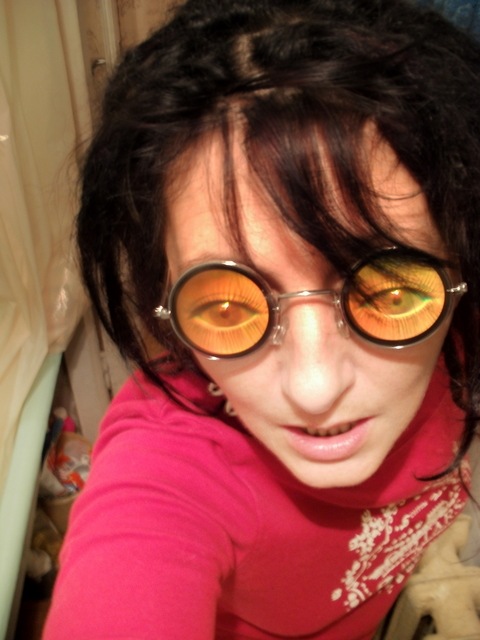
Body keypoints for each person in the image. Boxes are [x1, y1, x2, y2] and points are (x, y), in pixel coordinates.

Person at [43, 0, 480, 638]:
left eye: (389, 294)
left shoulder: (459, 329)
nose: (314, 390)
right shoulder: (170, 472)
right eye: (228, 307)